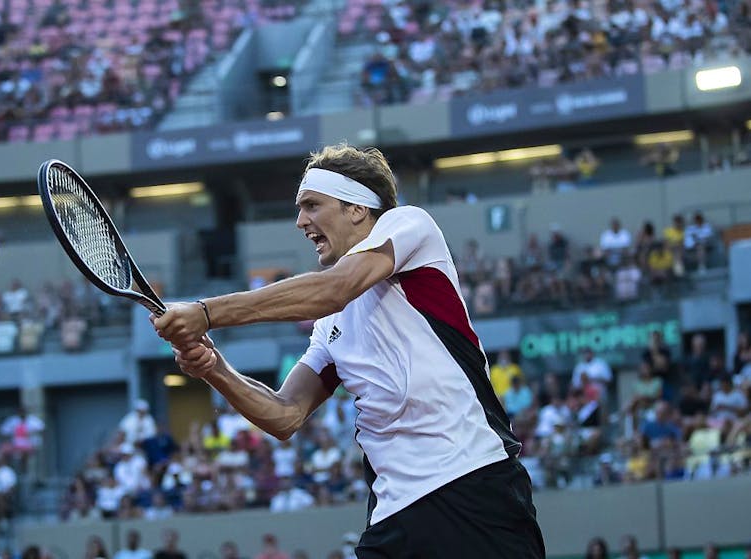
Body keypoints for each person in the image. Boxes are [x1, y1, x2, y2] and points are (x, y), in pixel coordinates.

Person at [153, 144, 544, 558]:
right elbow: (285, 415)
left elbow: (336, 288)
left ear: (357, 208)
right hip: (393, 515)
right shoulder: (330, 326)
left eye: (312, 205)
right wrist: (214, 368)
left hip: (473, 485)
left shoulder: (409, 225)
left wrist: (206, 312)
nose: (300, 221)